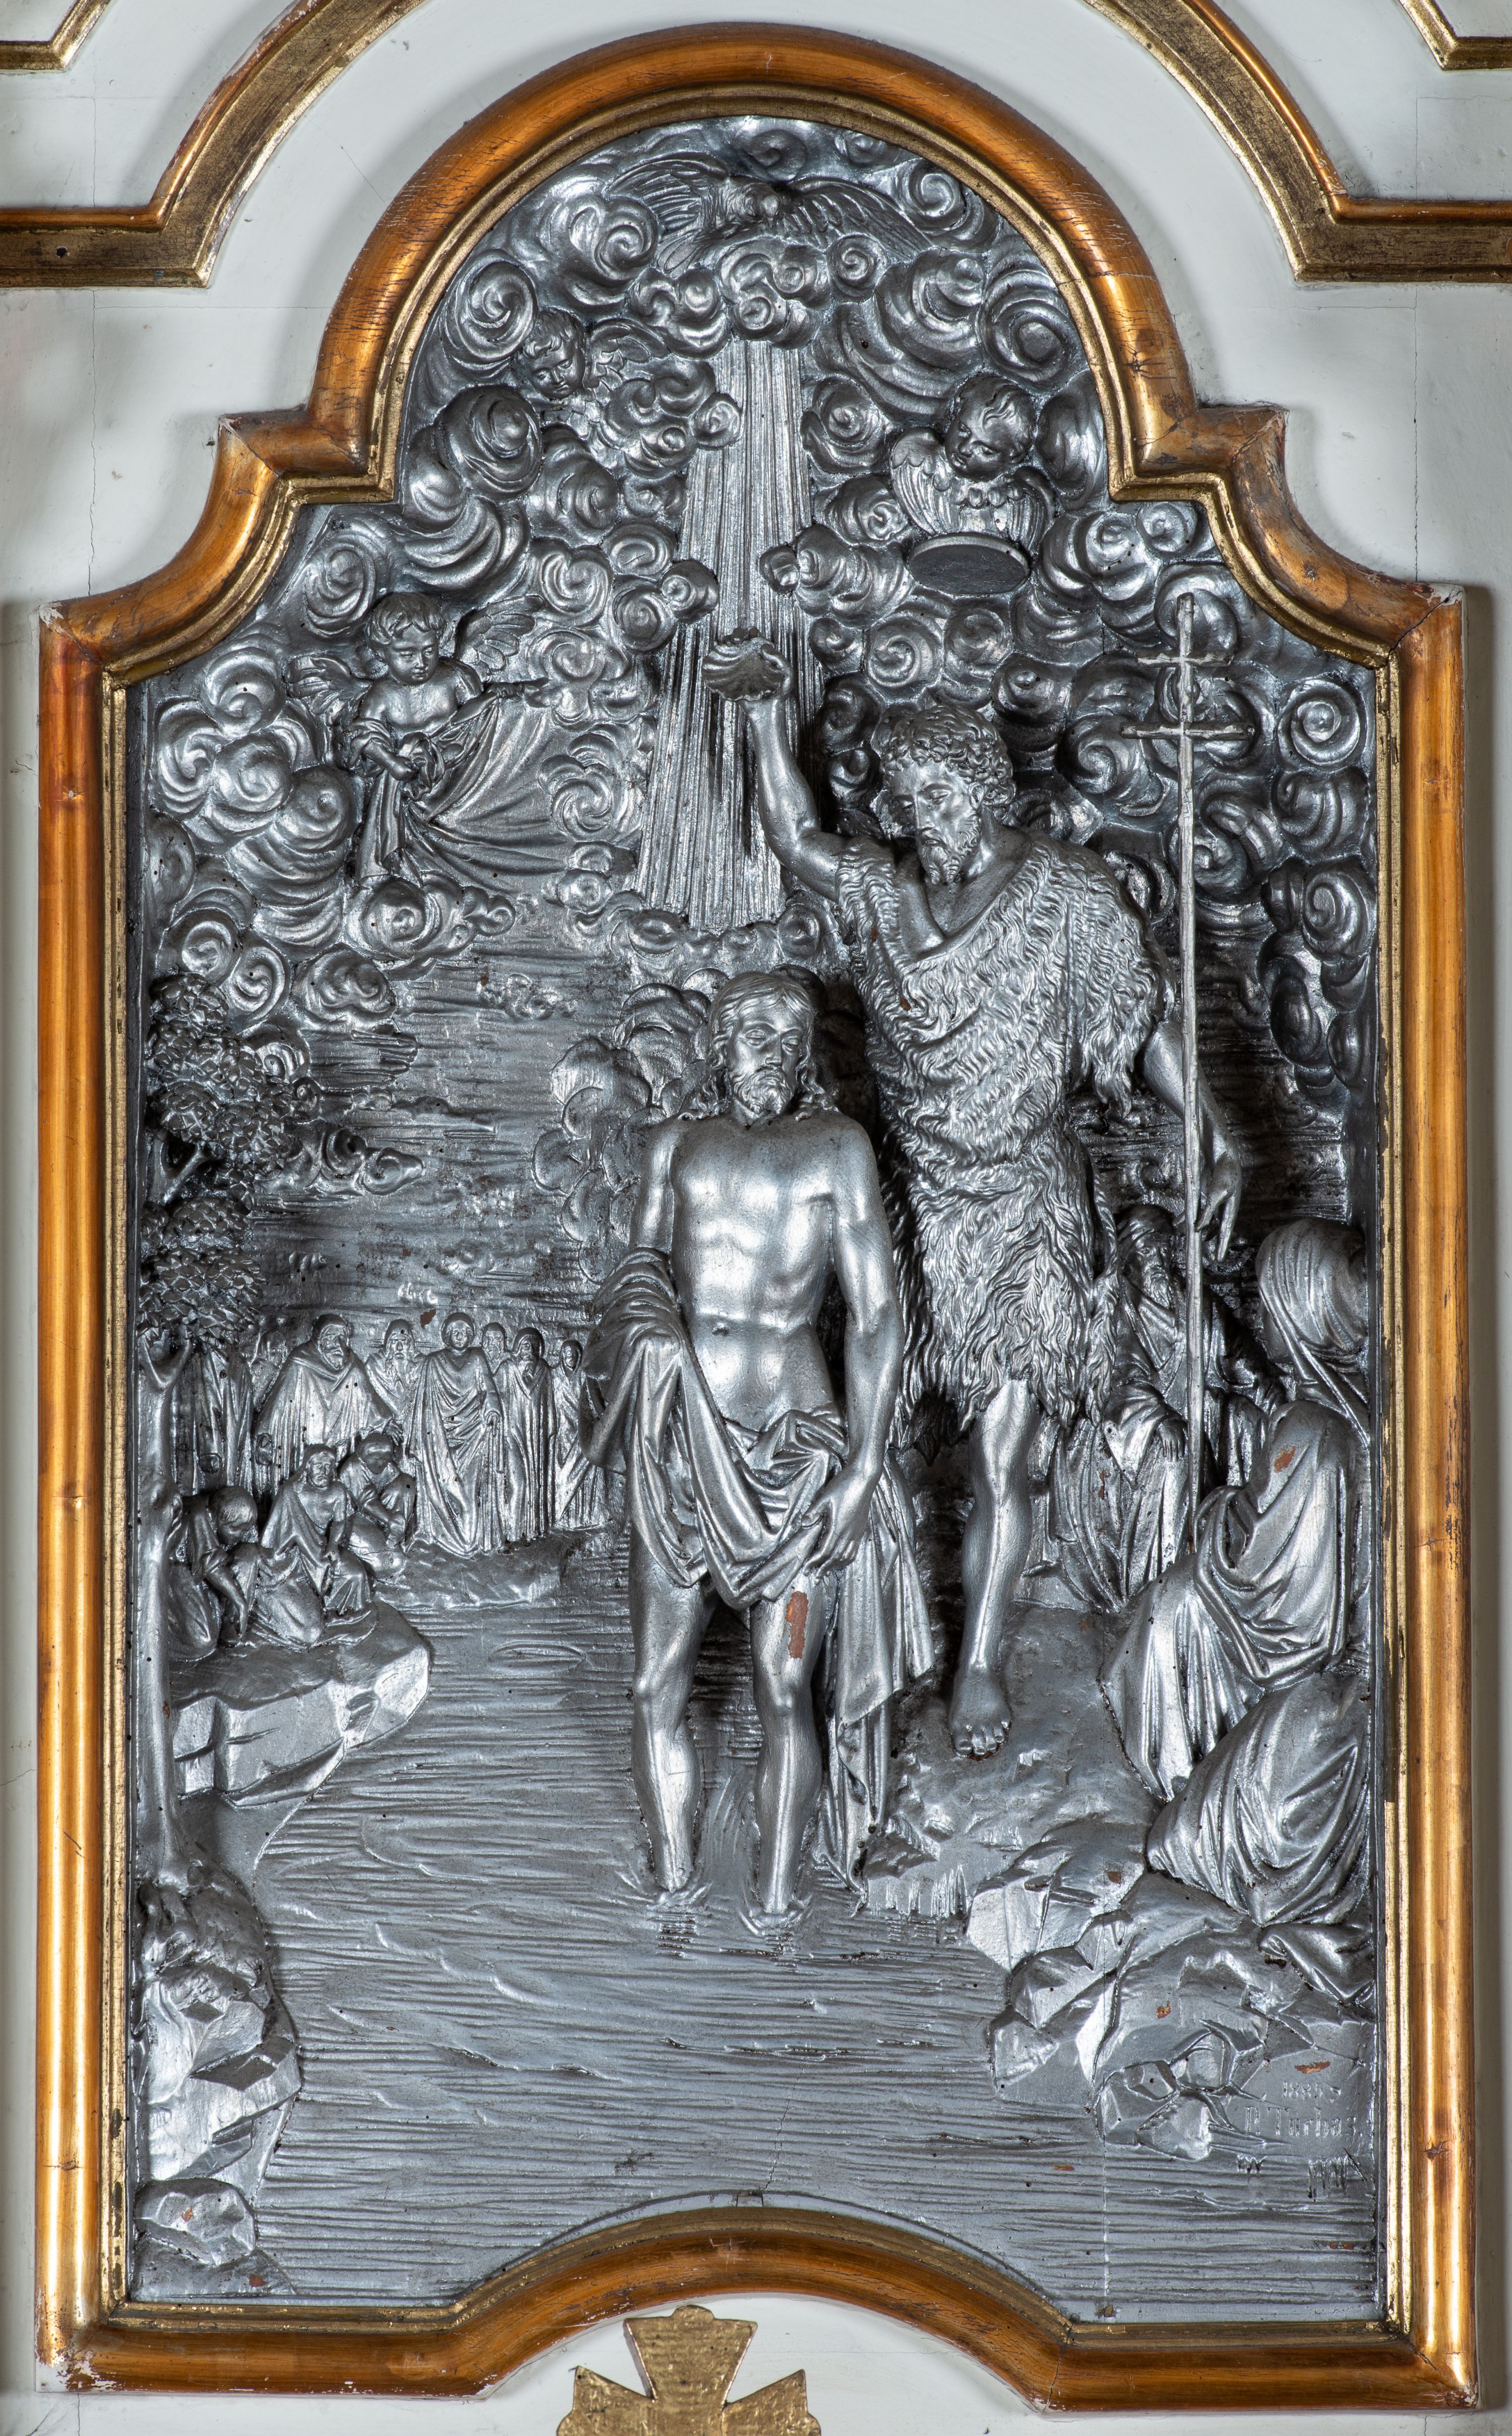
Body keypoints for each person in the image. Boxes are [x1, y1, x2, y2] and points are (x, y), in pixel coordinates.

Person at [707, 639, 1241, 1759]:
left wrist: (1210, 1129)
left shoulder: (1068, 895)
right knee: (876, 1431)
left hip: (1024, 1208)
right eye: (907, 800)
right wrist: (758, 719)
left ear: (985, 786)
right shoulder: (887, 888)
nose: (922, 816)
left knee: (1001, 1454)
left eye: (939, 794)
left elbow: (1141, 1018)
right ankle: (866, 1644)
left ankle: (983, 1660)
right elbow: (797, 840)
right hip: (911, 1200)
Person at [583, 968, 933, 1914]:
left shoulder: (837, 1148)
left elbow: (876, 1316)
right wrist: (651, 1331)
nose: (774, 1055)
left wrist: (863, 1467)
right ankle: (673, 1882)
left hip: (795, 1453)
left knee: (786, 1689)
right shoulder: (676, 1146)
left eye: (791, 1040)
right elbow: (634, 1279)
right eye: (755, 1035)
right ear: (719, 1045)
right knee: (653, 1684)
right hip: (682, 1449)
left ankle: (777, 1903)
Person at [1100, 1219, 1371, 1809]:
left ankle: (1176, 1766)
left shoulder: (1311, 1429)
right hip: (1253, 1583)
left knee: (1170, 1607)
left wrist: (1216, 1512)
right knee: (1169, 1573)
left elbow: (1264, 1574)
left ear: (1299, 1315)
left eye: (1268, 1308)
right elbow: (1124, 1386)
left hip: (1273, 1630)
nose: (1259, 1318)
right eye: (1148, 1254)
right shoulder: (1126, 1315)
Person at [410, 1311, 508, 1555]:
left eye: (465, 1332)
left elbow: (489, 1390)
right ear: (446, 1336)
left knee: (470, 1494)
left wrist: (493, 1411)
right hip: (441, 1437)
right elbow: (424, 1402)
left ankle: (469, 1544)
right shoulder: (433, 1362)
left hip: (474, 1434)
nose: (461, 1336)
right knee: (445, 1490)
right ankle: (450, 1539)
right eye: (456, 1332)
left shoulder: (477, 1357)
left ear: (472, 1335)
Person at [256, 1315, 392, 1483]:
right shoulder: (300, 1363)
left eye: (342, 1338)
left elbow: (369, 1400)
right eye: (331, 1337)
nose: (339, 1344)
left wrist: (386, 1423)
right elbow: (278, 1402)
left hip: (342, 1446)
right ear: (319, 1340)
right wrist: (265, 1433)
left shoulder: (353, 1367)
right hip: (304, 1445)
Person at [261, 1444, 372, 1626]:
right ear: (308, 1467)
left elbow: (339, 1522)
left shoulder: (338, 1491)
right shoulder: (292, 1491)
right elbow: (277, 1529)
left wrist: (333, 1544)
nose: (323, 1471)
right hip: (296, 1550)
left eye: (328, 1466)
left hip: (323, 1544)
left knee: (357, 1574)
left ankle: (338, 1612)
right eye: (318, 1466)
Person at [551, 1340, 606, 1530]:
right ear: (561, 1356)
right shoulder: (554, 1376)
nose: (571, 1358)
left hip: (582, 1431)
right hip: (562, 1435)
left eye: (574, 1354)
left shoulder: (585, 1377)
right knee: (563, 1474)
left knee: (586, 1475)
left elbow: (593, 1402)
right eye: (567, 1354)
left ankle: (586, 1518)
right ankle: (564, 1518)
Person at [339, 1429, 417, 1560]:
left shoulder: (388, 1466)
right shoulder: (355, 1467)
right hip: (356, 1517)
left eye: (385, 1460)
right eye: (377, 1459)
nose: (381, 1464)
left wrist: (395, 1517)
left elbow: (399, 1485)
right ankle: (390, 1529)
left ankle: (396, 1531)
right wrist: (389, 1519)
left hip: (383, 1513)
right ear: (365, 1457)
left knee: (406, 1482)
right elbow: (367, 1501)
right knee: (387, 1561)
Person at [512, 1328, 555, 1541]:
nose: (529, 1351)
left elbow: (549, 1403)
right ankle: (513, 1531)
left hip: (537, 1435)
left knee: (536, 1482)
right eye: (525, 1347)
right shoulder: (509, 1370)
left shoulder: (544, 1371)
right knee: (518, 1483)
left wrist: (551, 1429)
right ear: (518, 1350)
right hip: (513, 1434)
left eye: (534, 1347)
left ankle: (534, 1528)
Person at [369, 1320, 421, 1450]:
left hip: (416, 1430)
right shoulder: (374, 1366)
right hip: (382, 1433)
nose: (399, 1348)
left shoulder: (422, 1366)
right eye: (394, 1342)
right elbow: (366, 1401)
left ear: (411, 1345)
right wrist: (384, 1423)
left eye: (404, 1342)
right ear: (387, 1345)